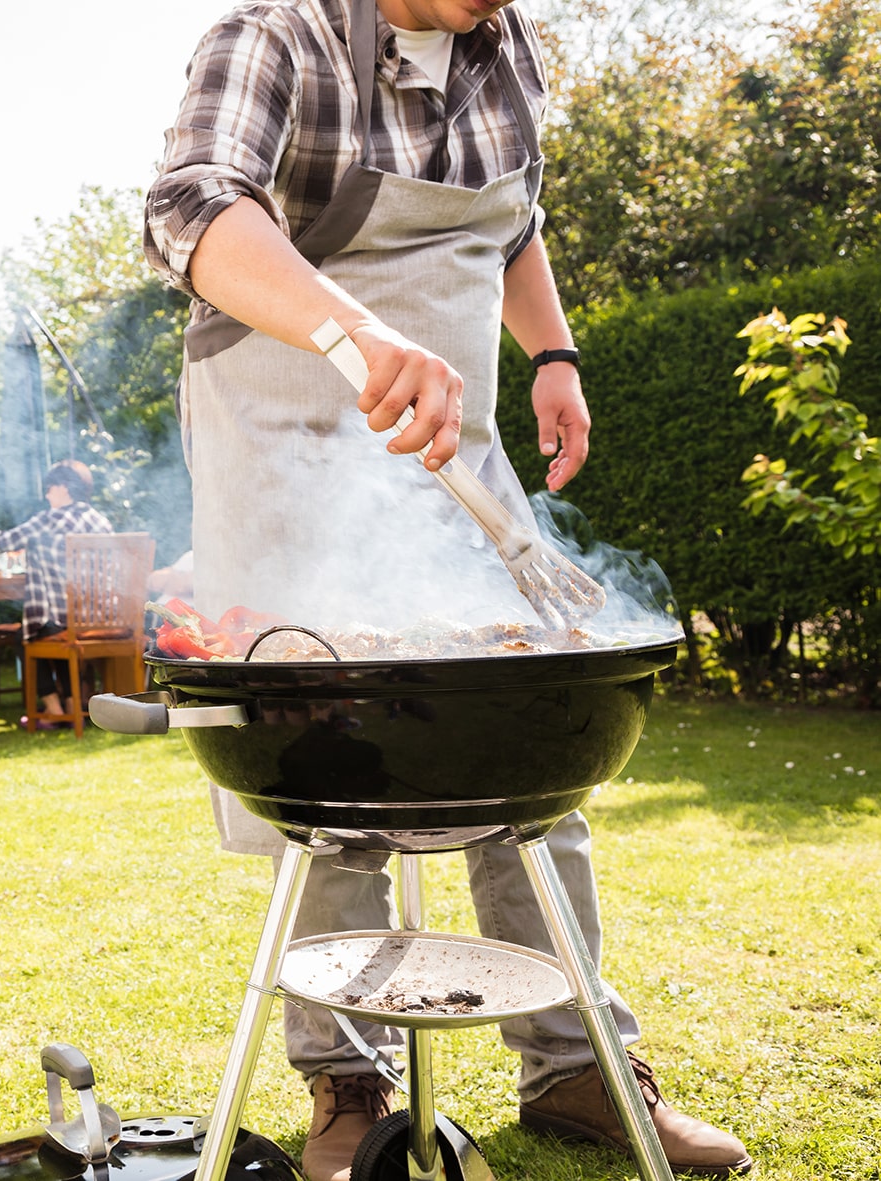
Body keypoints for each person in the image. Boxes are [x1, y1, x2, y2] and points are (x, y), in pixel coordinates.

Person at [143, 2, 751, 1178]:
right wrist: (355, 331)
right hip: (286, 448)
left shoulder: (501, 45)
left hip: (454, 455)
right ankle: (345, 1077)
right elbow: (190, 207)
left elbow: (512, 223)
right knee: (332, 772)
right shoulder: (278, 34)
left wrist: (551, 353)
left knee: (533, 735)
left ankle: (574, 1062)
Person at [0, 460, 112, 727]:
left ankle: (53, 710)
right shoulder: (101, 522)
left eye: (49, 488)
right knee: (49, 630)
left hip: (67, 621)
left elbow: (4, 541)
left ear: (63, 488)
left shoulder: (51, 519)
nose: (47, 495)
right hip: (102, 619)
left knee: (28, 635)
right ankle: (72, 705)